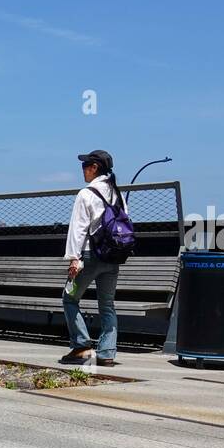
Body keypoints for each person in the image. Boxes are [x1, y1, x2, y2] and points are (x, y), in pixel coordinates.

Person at [60, 149, 125, 367]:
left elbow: (78, 229)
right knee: (107, 305)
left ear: (94, 168)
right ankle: (107, 353)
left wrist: (74, 258)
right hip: (113, 257)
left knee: (69, 298)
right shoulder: (117, 194)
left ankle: (82, 346)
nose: (83, 171)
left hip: (88, 256)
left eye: (85, 166)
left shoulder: (86, 194)